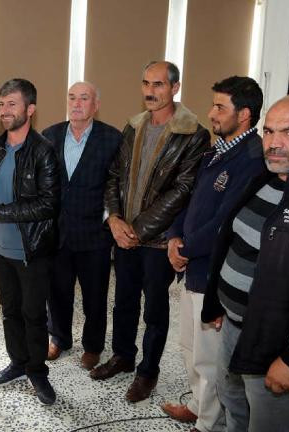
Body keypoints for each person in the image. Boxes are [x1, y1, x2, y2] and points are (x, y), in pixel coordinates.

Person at [94, 61, 210, 403]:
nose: (150, 91)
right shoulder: (134, 126)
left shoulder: (193, 133)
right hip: (124, 235)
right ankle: (123, 356)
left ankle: (147, 372)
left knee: (155, 311)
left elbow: (183, 190)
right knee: (123, 301)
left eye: (158, 84)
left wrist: (137, 230)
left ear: (175, 87)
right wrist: (115, 220)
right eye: (146, 83)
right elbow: (114, 176)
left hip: (159, 241)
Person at [161, 76, 266, 432]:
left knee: (209, 357)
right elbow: (191, 201)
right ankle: (198, 405)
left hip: (212, 272)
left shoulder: (251, 160)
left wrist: (186, 249)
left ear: (245, 114)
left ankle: (209, 424)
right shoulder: (216, 150)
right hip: (192, 265)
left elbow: (226, 221)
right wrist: (174, 237)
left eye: (220, 107)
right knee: (190, 346)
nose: (211, 113)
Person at [201, 94, 289, 432]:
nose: (274, 143)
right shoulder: (263, 180)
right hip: (234, 325)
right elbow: (232, 243)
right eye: (269, 132)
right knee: (233, 405)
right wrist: (219, 303)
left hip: (275, 343)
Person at [0, 78, 60, 405]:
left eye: (12, 104)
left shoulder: (44, 151)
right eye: (1, 104)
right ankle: (17, 363)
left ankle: (37, 371)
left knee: (33, 314)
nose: (4, 111)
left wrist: (1, 213)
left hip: (31, 249)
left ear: (30, 109)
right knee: (9, 310)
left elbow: (49, 204)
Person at [41, 82, 121, 371]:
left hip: (94, 235)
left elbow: (117, 185)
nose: (76, 104)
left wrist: (111, 218)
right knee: (57, 293)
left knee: (95, 297)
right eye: (72, 97)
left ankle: (93, 346)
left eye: (84, 98)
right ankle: (59, 338)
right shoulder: (50, 135)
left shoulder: (112, 139)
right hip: (58, 234)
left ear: (95, 105)